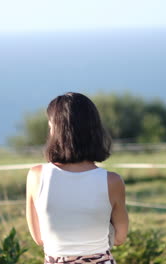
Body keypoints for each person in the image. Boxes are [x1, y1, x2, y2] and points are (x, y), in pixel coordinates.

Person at [26, 92, 129, 264]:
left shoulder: (36, 176)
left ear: (56, 131)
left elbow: (39, 238)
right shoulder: (112, 181)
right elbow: (120, 237)